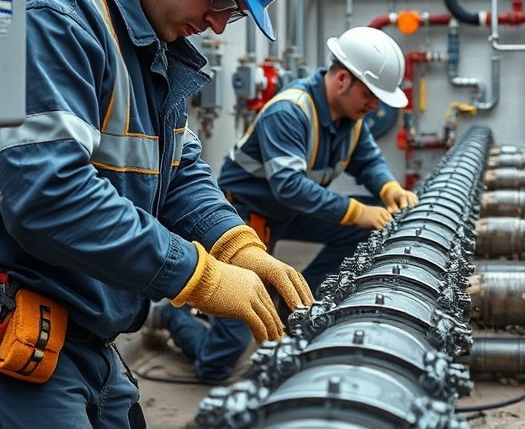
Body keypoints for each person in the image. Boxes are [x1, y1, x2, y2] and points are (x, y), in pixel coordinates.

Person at [0, 0, 312, 427]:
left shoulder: (145, 39)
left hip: (88, 344)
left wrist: (235, 245)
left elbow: (177, 172)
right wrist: (196, 274)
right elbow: (50, 196)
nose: (221, 23)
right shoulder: (56, 9)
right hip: (18, 336)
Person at [152, 26, 420, 382]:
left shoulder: (352, 120)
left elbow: (368, 161)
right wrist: (358, 211)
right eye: (371, 95)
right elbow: (289, 186)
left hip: (290, 213)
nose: (375, 106)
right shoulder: (290, 112)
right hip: (245, 216)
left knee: (372, 228)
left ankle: (298, 304)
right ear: (342, 80)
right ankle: (174, 319)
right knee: (226, 352)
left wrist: (388, 189)